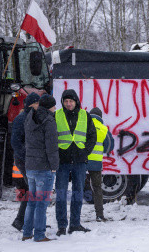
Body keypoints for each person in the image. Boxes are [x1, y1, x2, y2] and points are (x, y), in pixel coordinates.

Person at [55, 89, 97, 236]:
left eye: (71, 101)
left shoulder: (85, 115)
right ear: (62, 102)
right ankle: (61, 226)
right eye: (66, 101)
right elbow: (52, 137)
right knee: (60, 194)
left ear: (76, 102)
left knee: (78, 193)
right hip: (62, 161)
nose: (68, 104)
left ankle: (74, 224)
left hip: (79, 161)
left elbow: (92, 136)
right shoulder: (57, 115)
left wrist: (85, 152)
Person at [22, 94, 59, 242]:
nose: (56, 109)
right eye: (54, 106)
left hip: (30, 166)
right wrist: (54, 166)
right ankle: (39, 234)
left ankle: (27, 233)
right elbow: (51, 147)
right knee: (41, 204)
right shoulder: (49, 121)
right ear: (50, 106)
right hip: (43, 167)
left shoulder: (29, 117)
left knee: (31, 202)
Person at [10, 92, 40, 231]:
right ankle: (22, 220)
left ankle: (22, 220)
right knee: (32, 190)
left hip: (29, 159)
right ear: (31, 104)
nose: (39, 105)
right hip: (25, 160)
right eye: (37, 103)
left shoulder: (31, 117)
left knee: (31, 190)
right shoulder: (22, 118)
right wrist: (27, 155)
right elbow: (15, 142)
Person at [87, 107, 114, 222]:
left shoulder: (83, 125)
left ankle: (75, 216)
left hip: (81, 162)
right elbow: (109, 147)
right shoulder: (103, 129)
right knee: (97, 188)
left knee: (77, 188)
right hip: (96, 164)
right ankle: (99, 215)